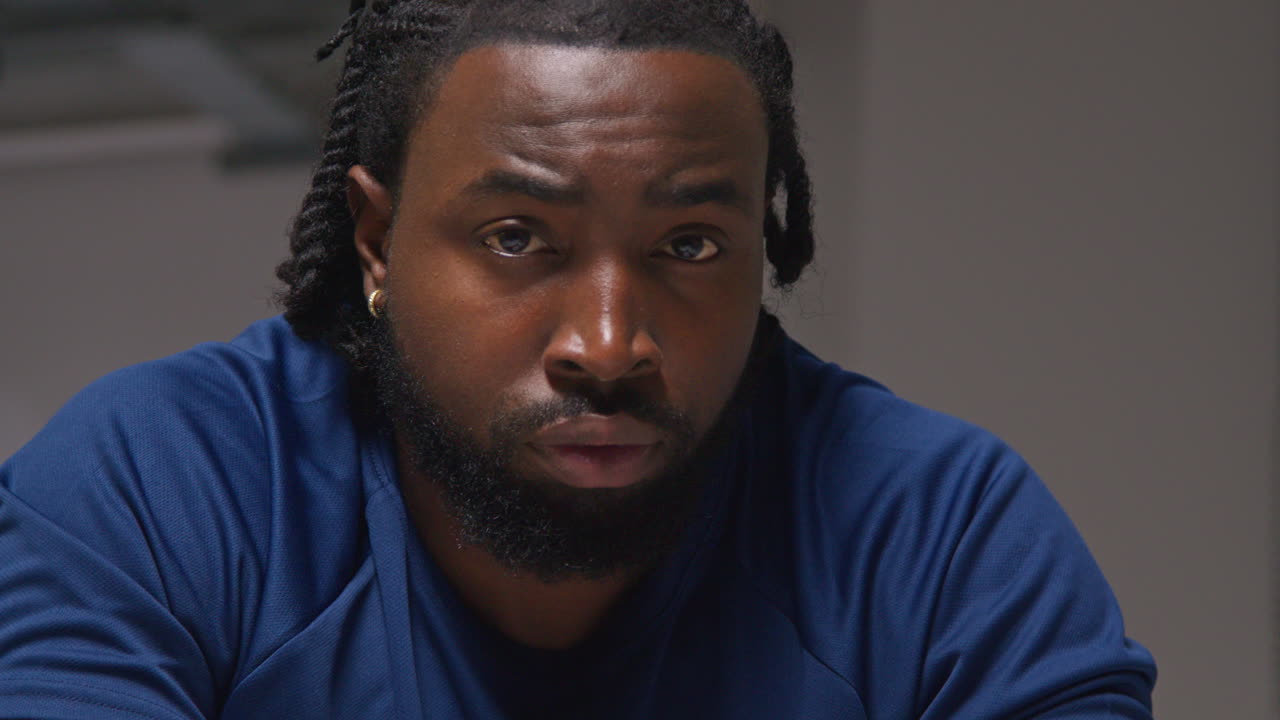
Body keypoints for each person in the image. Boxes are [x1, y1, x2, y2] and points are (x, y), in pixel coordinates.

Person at [0, 0, 1157, 717]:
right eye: (517, 238)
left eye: (688, 245)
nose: (607, 347)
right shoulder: (155, 488)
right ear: (376, 242)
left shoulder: (939, 535)